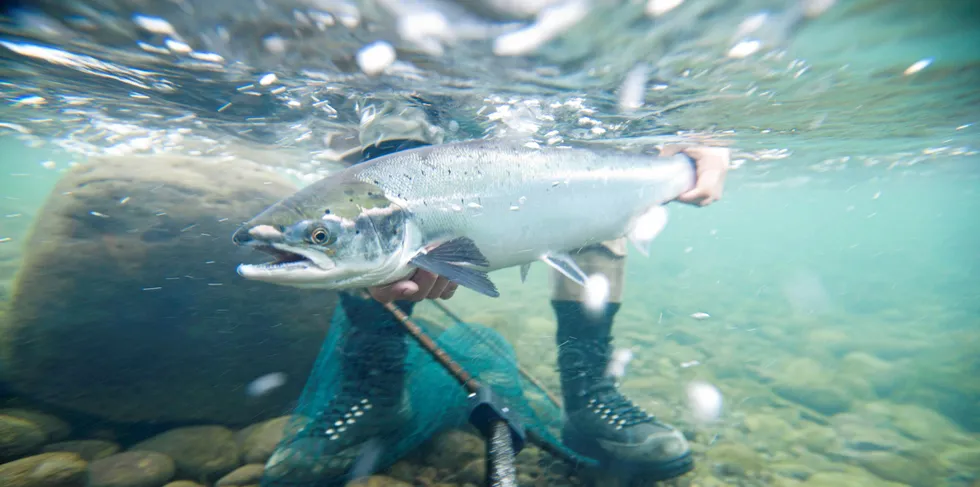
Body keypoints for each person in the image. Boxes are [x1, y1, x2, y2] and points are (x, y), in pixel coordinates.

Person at [324, 97, 728, 480]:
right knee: (384, 167)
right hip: (416, 92)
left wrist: (700, 144)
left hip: (568, 90)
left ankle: (589, 393)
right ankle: (374, 390)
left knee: (586, 181)